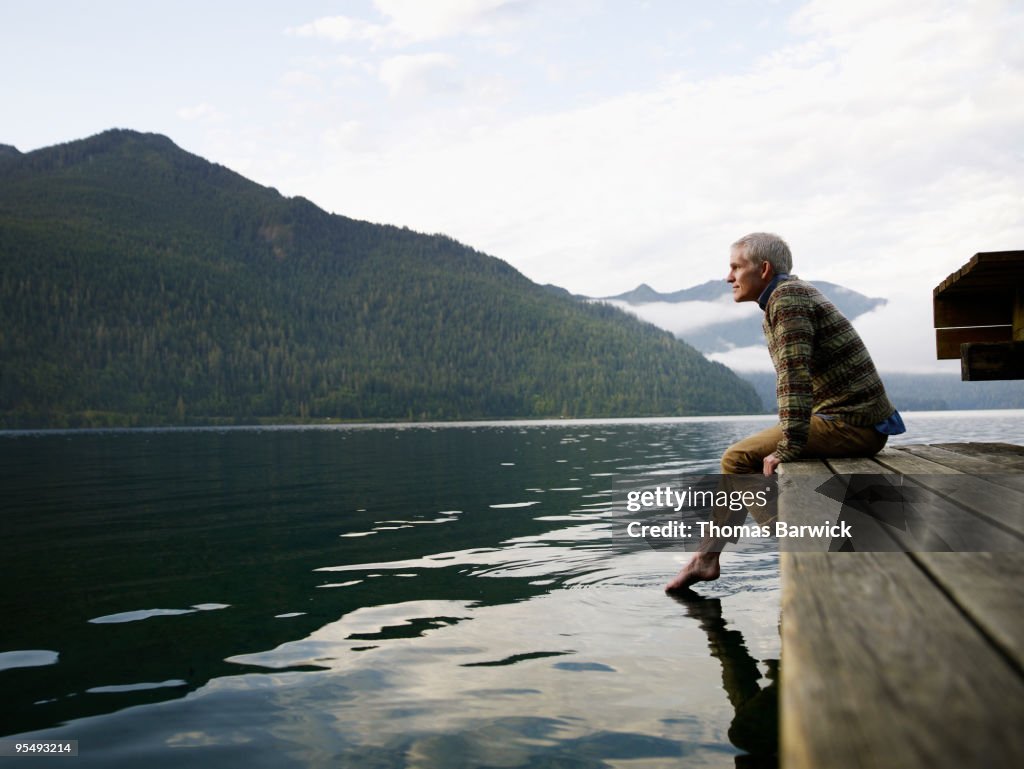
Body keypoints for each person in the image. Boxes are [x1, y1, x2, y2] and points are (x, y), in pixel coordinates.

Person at [665, 232, 904, 592]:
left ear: (763, 269)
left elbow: (794, 377)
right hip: (846, 419)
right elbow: (797, 381)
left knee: (738, 458)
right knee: (742, 460)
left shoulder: (787, 299)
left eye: (735, 267)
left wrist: (790, 444)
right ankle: (707, 558)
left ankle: (802, 545)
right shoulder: (785, 297)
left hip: (853, 424)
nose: (728, 277)